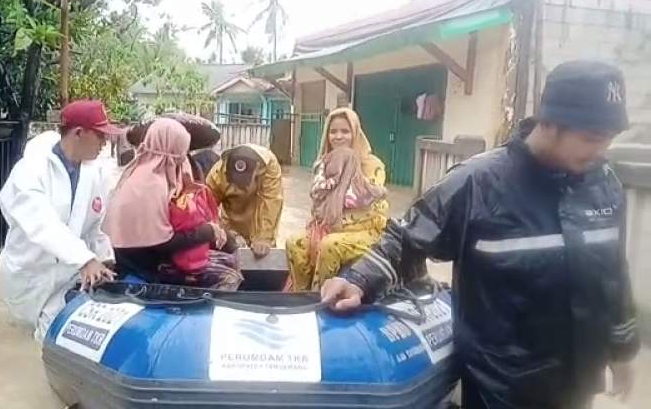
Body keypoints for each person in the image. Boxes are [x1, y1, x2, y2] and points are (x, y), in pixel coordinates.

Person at [320, 61, 639, 409]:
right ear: (550, 123)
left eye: (608, 140)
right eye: (592, 139)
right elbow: (409, 238)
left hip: (577, 382)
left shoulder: (603, 184)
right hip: (500, 388)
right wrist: (359, 279)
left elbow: (612, 273)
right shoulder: (478, 183)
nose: (601, 151)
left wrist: (622, 349)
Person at [0, 100, 119, 341]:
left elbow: (94, 226)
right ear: (78, 133)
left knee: (54, 338)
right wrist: (85, 260)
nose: (105, 143)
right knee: (36, 339)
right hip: (30, 275)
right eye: (100, 135)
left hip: (66, 276)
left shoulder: (92, 173)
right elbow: (43, 224)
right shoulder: (30, 171)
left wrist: (105, 259)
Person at [104, 119, 243, 290]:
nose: (183, 156)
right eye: (181, 150)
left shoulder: (148, 171)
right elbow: (161, 243)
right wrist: (207, 231)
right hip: (147, 267)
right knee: (227, 278)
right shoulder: (150, 185)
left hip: (158, 257)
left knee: (228, 257)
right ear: (172, 149)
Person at [286, 108, 389, 291]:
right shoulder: (324, 163)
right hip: (328, 225)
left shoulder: (372, 164)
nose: (338, 136)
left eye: (345, 131)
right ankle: (300, 295)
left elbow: (365, 200)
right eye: (333, 131)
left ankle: (321, 297)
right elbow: (317, 198)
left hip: (365, 229)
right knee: (294, 242)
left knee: (329, 244)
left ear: (355, 133)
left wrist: (347, 175)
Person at [206, 144, 284, 258]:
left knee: (264, 256)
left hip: (258, 217)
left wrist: (264, 237)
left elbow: (271, 202)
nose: (237, 187)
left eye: (242, 183)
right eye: (234, 181)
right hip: (231, 220)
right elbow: (206, 207)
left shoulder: (269, 166)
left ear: (257, 170)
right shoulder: (217, 173)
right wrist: (220, 231)